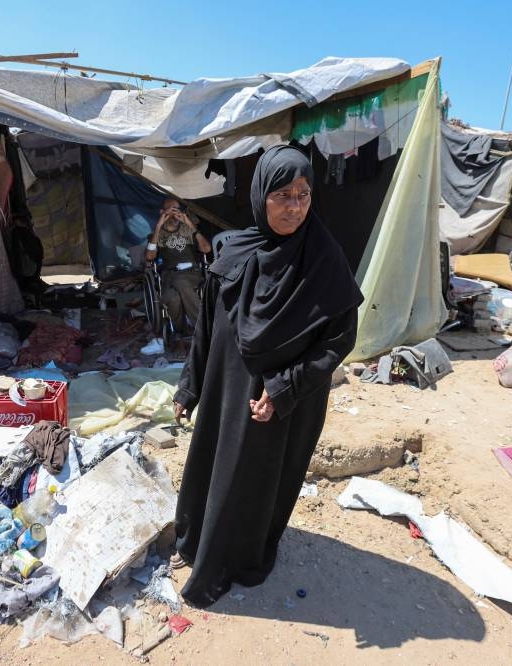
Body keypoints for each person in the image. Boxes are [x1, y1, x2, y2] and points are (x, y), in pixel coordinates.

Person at [171, 145, 364, 608]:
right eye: (283, 195)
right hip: (226, 390)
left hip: (282, 404)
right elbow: (208, 329)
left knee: (257, 486)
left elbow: (339, 341)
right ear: (261, 197)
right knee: (214, 471)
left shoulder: (322, 260)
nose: (295, 206)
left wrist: (284, 388)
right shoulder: (234, 250)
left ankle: (236, 563)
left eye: (303, 194)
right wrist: (189, 386)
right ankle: (197, 546)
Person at [145, 199, 212, 336]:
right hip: (170, 275)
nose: (175, 213)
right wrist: (158, 226)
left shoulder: (187, 229)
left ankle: (204, 328)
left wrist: (190, 224)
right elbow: (150, 257)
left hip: (192, 273)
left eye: (177, 209)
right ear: (162, 213)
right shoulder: (157, 234)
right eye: (171, 210)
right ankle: (183, 331)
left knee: (180, 281)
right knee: (171, 297)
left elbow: (206, 249)